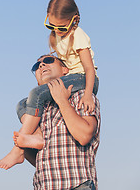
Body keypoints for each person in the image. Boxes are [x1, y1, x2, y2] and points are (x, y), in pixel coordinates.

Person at [0, 0, 99, 170]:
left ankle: (17, 150)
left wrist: (88, 94)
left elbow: (89, 68)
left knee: (34, 95)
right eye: (51, 26)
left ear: (74, 20)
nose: (57, 30)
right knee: (23, 103)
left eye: (61, 27)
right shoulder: (41, 107)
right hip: (47, 182)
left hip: (84, 78)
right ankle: (36, 137)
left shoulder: (79, 37)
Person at [18, 55, 100, 189]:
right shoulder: (37, 111)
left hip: (76, 185)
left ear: (65, 70)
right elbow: (38, 158)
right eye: (36, 66)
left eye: (48, 61)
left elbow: (84, 135)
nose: (41, 65)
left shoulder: (81, 96)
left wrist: (62, 101)